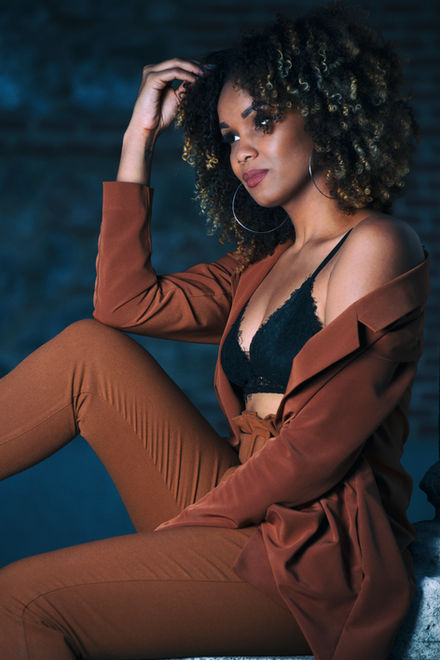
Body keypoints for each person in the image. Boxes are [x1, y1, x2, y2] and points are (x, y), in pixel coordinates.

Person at [0, 1, 430, 659]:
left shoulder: (377, 245)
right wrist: (139, 138)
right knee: (89, 351)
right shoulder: (261, 266)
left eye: (263, 121)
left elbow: (316, 449)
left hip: (312, 551)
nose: (242, 150)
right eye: (228, 135)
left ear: (325, 114)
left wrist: (184, 528)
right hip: (238, 497)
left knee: (18, 600)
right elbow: (124, 305)